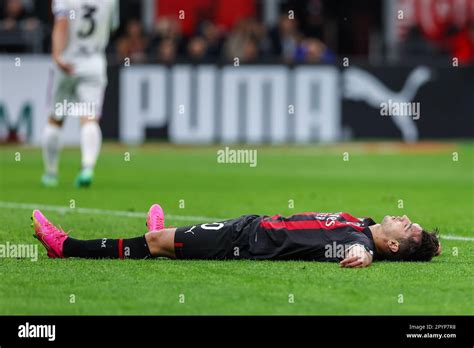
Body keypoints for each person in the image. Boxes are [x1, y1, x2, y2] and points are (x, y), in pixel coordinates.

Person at [31, 204, 441, 268]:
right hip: (253, 224)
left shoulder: (364, 242)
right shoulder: (361, 222)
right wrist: (429, 243)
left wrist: (363, 256)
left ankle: (65, 247)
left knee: (154, 246)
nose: (403, 218)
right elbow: (357, 233)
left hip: (245, 244)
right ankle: (165, 236)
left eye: (406, 227)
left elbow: (356, 250)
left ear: (390, 245)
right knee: (170, 240)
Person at [41, 0, 119, 188]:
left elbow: (62, 24)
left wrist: (57, 55)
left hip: (68, 61)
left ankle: (51, 173)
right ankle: (87, 167)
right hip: (94, 61)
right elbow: (113, 26)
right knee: (89, 118)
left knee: (56, 119)